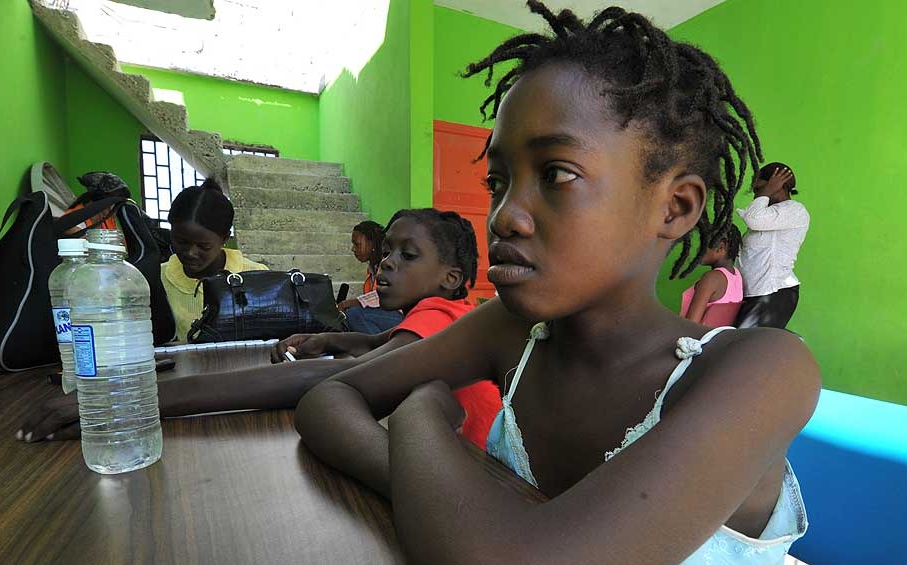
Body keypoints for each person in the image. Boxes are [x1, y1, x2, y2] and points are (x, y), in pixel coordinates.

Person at [294, 3, 820, 564]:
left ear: (675, 206)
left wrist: (419, 415)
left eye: (557, 174)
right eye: (498, 181)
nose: (502, 216)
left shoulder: (765, 369)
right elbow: (330, 397)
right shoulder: (515, 331)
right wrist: (439, 498)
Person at [15, 208, 501, 450]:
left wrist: (133, 399)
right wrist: (328, 338)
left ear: (451, 278)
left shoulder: (439, 317)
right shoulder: (442, 317)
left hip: (478, 480)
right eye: (387, 252)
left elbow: (332, 379)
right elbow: (377, 344)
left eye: (407, 256)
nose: (388, 264)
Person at [161, 179, 267, 343]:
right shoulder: (157, 278)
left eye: (203, 246)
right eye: (181, 242)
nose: (190, 253)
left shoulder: (257, 277)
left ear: (224, 239)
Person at [734, 163, 810, 329]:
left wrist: (766, 191)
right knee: (742, 347)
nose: (757, 195)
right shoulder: (769, 214)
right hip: (755, 294)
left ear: (778, 185)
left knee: (748, 349)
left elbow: (753, 219)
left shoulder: (795, 210)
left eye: (761, 188)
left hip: (772, 292)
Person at [337, 220, 404, 334]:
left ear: (371, 244)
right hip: (385, 315)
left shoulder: (390, 263)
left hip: (401, 316)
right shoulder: (372, 269)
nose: (353, 249)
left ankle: (378, 349)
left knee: (355, 314)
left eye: (357, 244)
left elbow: (386, 294)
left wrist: (349, 303)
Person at [680, 226, 744, 327]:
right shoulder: (737, 276)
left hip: (695, 339)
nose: (698, 250)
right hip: (717, 339)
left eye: (703, 245)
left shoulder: (712, 278)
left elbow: (691, 325)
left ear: (720, 248)